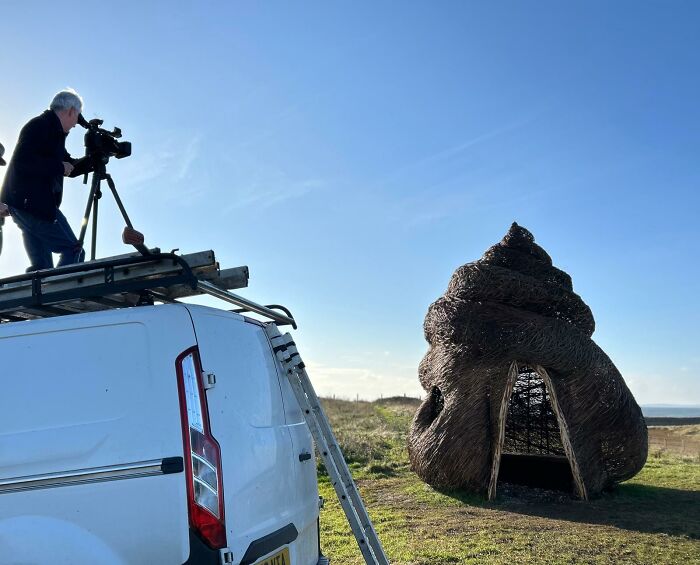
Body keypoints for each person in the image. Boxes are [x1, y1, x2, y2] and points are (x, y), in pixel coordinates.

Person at [0, 89, 86, 271]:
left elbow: (68, 165)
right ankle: (60, 296)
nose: (76, 124)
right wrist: (59, 166)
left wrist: (94, 159)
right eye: (77, 116)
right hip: (33, 204)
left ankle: (40, 298)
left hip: (24, 204)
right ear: (71, 111)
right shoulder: (40, 126)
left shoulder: (53, 133)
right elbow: (23, 161)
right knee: (74, 250)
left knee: (42, 267)